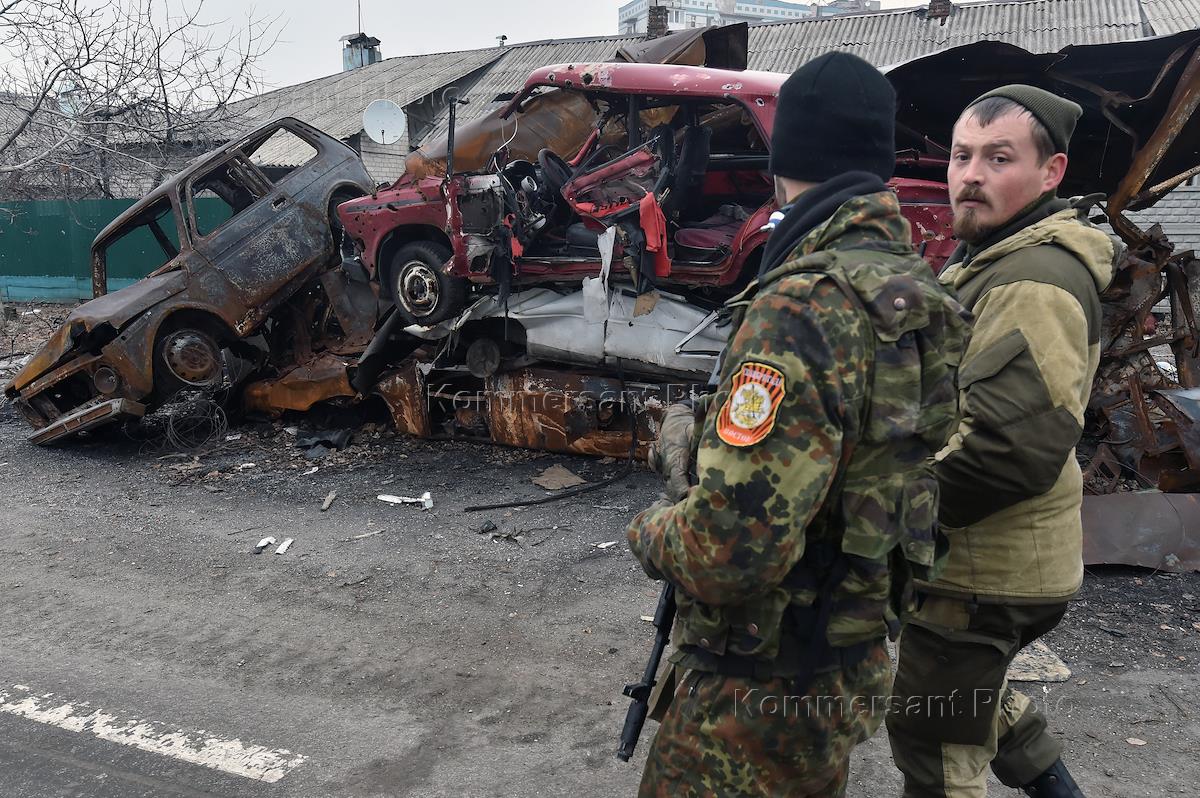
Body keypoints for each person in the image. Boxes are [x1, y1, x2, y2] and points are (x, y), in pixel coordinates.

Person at [626, 51, 971, 797]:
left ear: (783, 163)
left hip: (753, 696)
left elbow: (727, 550)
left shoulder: (803, 307)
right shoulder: (913, 292)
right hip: (838, 668)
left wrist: (650, 530)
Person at [886, 85, 1118, 798]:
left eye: (998, 158)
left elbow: (1007, 450)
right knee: (970, 692)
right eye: (962, 156)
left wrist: (881, 518)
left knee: (935, 741)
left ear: (1051, 172)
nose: (970, 176)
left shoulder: (1032, 281)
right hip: (990, 555)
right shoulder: (991, 257)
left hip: (987, 568)